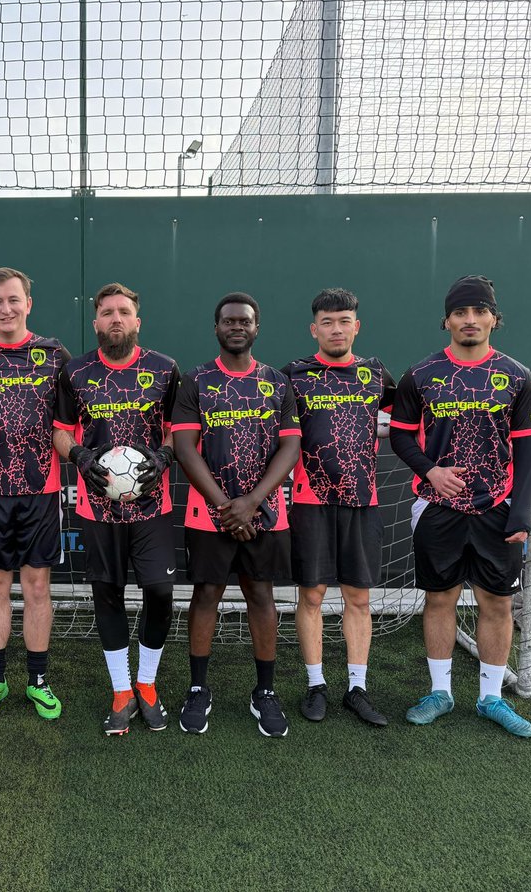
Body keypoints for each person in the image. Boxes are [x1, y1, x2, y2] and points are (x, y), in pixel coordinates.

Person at [389, 275, 531, 738]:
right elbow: (399, 433)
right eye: (461, 312)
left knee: (497, 602)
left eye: (479, 312)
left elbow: (529, 450)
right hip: (438, 507)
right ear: (447, 321)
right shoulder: (421, 374)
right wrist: (429, 469)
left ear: (494, 318)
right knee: (440, 599)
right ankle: (441, 692)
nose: (470, 320)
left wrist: (519, 513)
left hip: (497, 507)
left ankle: (491, 698)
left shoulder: (516, 376)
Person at [171, 292, 302, 737]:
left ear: (256, 327)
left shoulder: (277, 382)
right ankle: (197, 688)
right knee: (206, 594)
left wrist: (251, 503)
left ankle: (264, 692)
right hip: (210, 513)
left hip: (264, 510)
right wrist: (227, 507)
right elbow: (186, 449)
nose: (236, 326)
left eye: (244, 320)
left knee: (261, 596)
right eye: (228, 321)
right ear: (216, 328)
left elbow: (290, 446)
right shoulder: (196, 381)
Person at [53, 283, 182, 735]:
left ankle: (147, 684)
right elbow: (62, 430)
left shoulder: (164, 370)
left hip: (153, 508)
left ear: (137, 320)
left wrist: (165, 457)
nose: (115, 319)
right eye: (106, 312)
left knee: (159, 595)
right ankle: (122, 691)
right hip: (97, 510)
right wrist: (80, 457)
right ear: (96, 322)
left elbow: (178, 430)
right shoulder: (76, 371)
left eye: (123, 311)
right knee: (107, 595)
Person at [0, 267, 71, 720]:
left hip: (41, 489)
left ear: (29, 304)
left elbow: (76, 415)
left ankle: (38, 681)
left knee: (38, 585)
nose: (6, 309)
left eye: (14, 300)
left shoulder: (55, 354)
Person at [283, 289, 396, 727]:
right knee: (311, 595)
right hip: (311, 499)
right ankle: (315, 684)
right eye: (327, 322)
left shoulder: (376, 374)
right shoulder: (294, 374)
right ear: (314, 329)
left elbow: (411, 418)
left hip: (362, 499)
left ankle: (357, 687)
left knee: (359, 597)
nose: (336, 329)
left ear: (356, 326)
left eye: (344, 320)